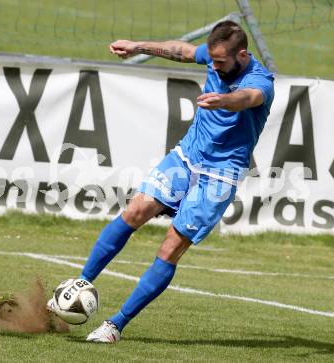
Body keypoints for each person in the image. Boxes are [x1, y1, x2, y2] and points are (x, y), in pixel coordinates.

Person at [57, 20, 274, 343]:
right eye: (211, 60)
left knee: (171, 245)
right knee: (135, 210)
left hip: (219, 175)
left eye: (219, 62)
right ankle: (80, 283)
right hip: (187, 157)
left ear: (242, 54)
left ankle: (115, 325)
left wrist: (224, 101)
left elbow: (249, 97)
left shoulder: (261, 80)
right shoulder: (216, 57)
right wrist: (138, 46)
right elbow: (183, 50)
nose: (213, 66)